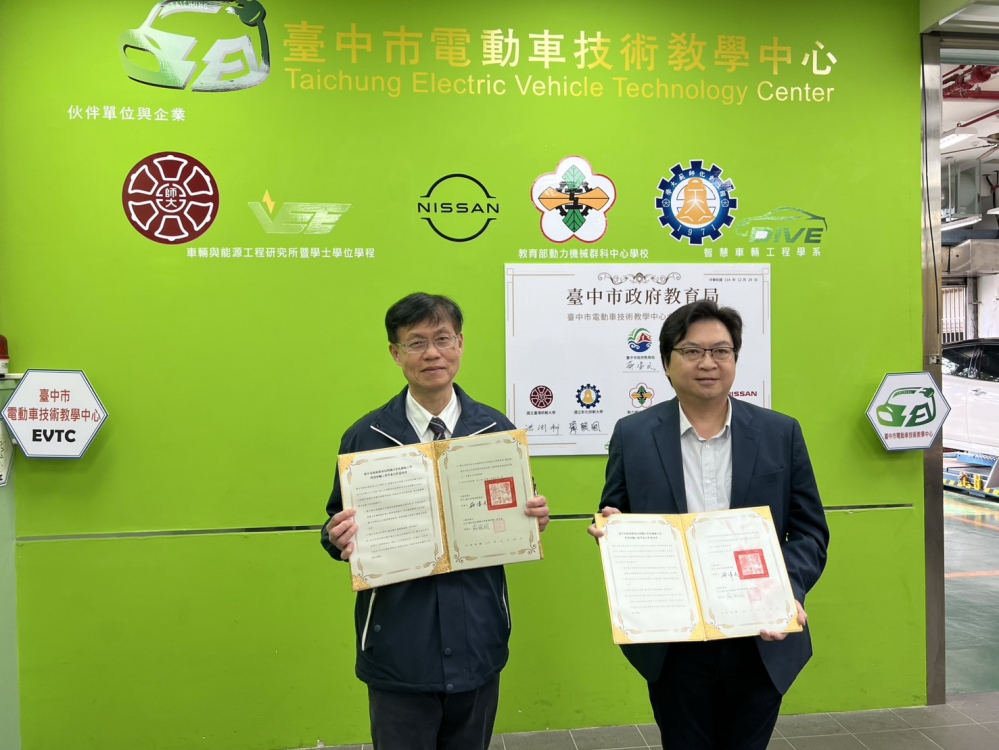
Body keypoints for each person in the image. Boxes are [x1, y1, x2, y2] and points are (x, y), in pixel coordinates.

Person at [589, 299, 829, 750]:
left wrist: (787, 591)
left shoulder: (780, 432)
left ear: (735, 359)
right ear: (667, 362)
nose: (708, 363)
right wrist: (611, 532)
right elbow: (614, 512)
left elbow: (810, 531)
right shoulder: (633, 435)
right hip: (674, 639)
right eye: (692, 351)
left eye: (721, 351)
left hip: (759, 634)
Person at [322, 292, 550, 750]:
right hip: (398, 645)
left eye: (443, 339)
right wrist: (334, 536)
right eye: (417, 342)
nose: (432, 353)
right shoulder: (365, 436)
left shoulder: (496, 430)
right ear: (396, 353)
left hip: (478, 636)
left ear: (460, 344)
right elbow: (333, 525)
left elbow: (516, 507)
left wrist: (533, 517)